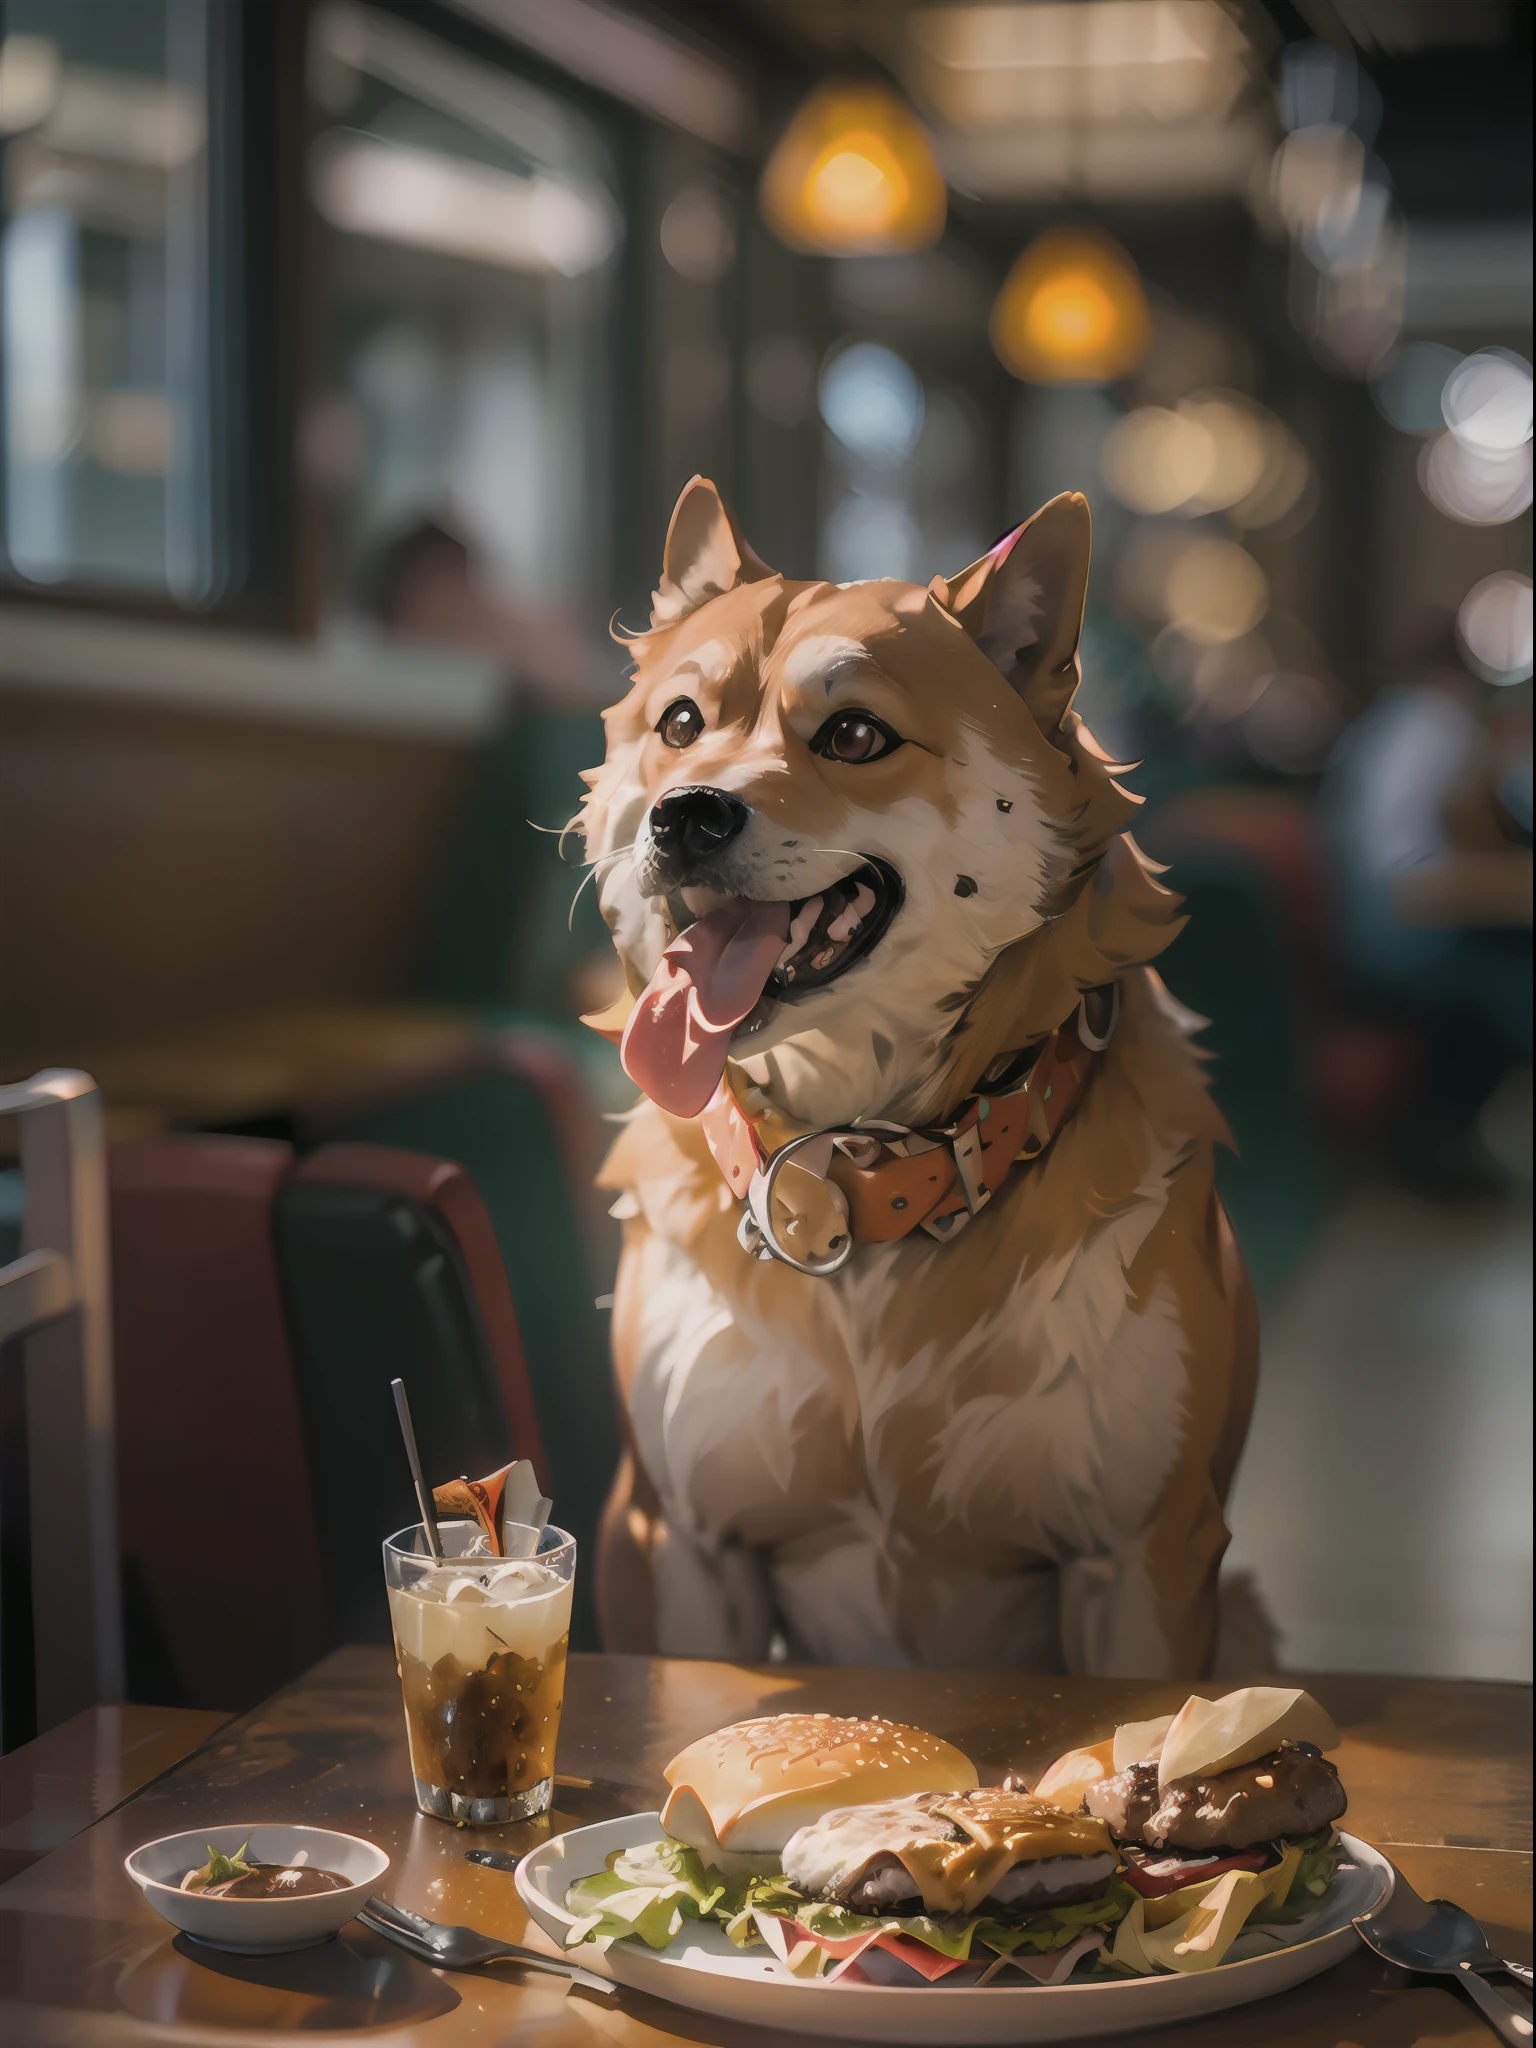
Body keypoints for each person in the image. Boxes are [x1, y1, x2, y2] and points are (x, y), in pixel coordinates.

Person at [1323, 618, 1532, 1198]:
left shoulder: (1382, 723)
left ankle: (1444, 1140)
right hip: (1395, 942)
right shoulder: (1438, 725)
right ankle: (1441, 1144)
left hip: (1362, 929)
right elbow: (1408, 867)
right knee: (1515, 984)